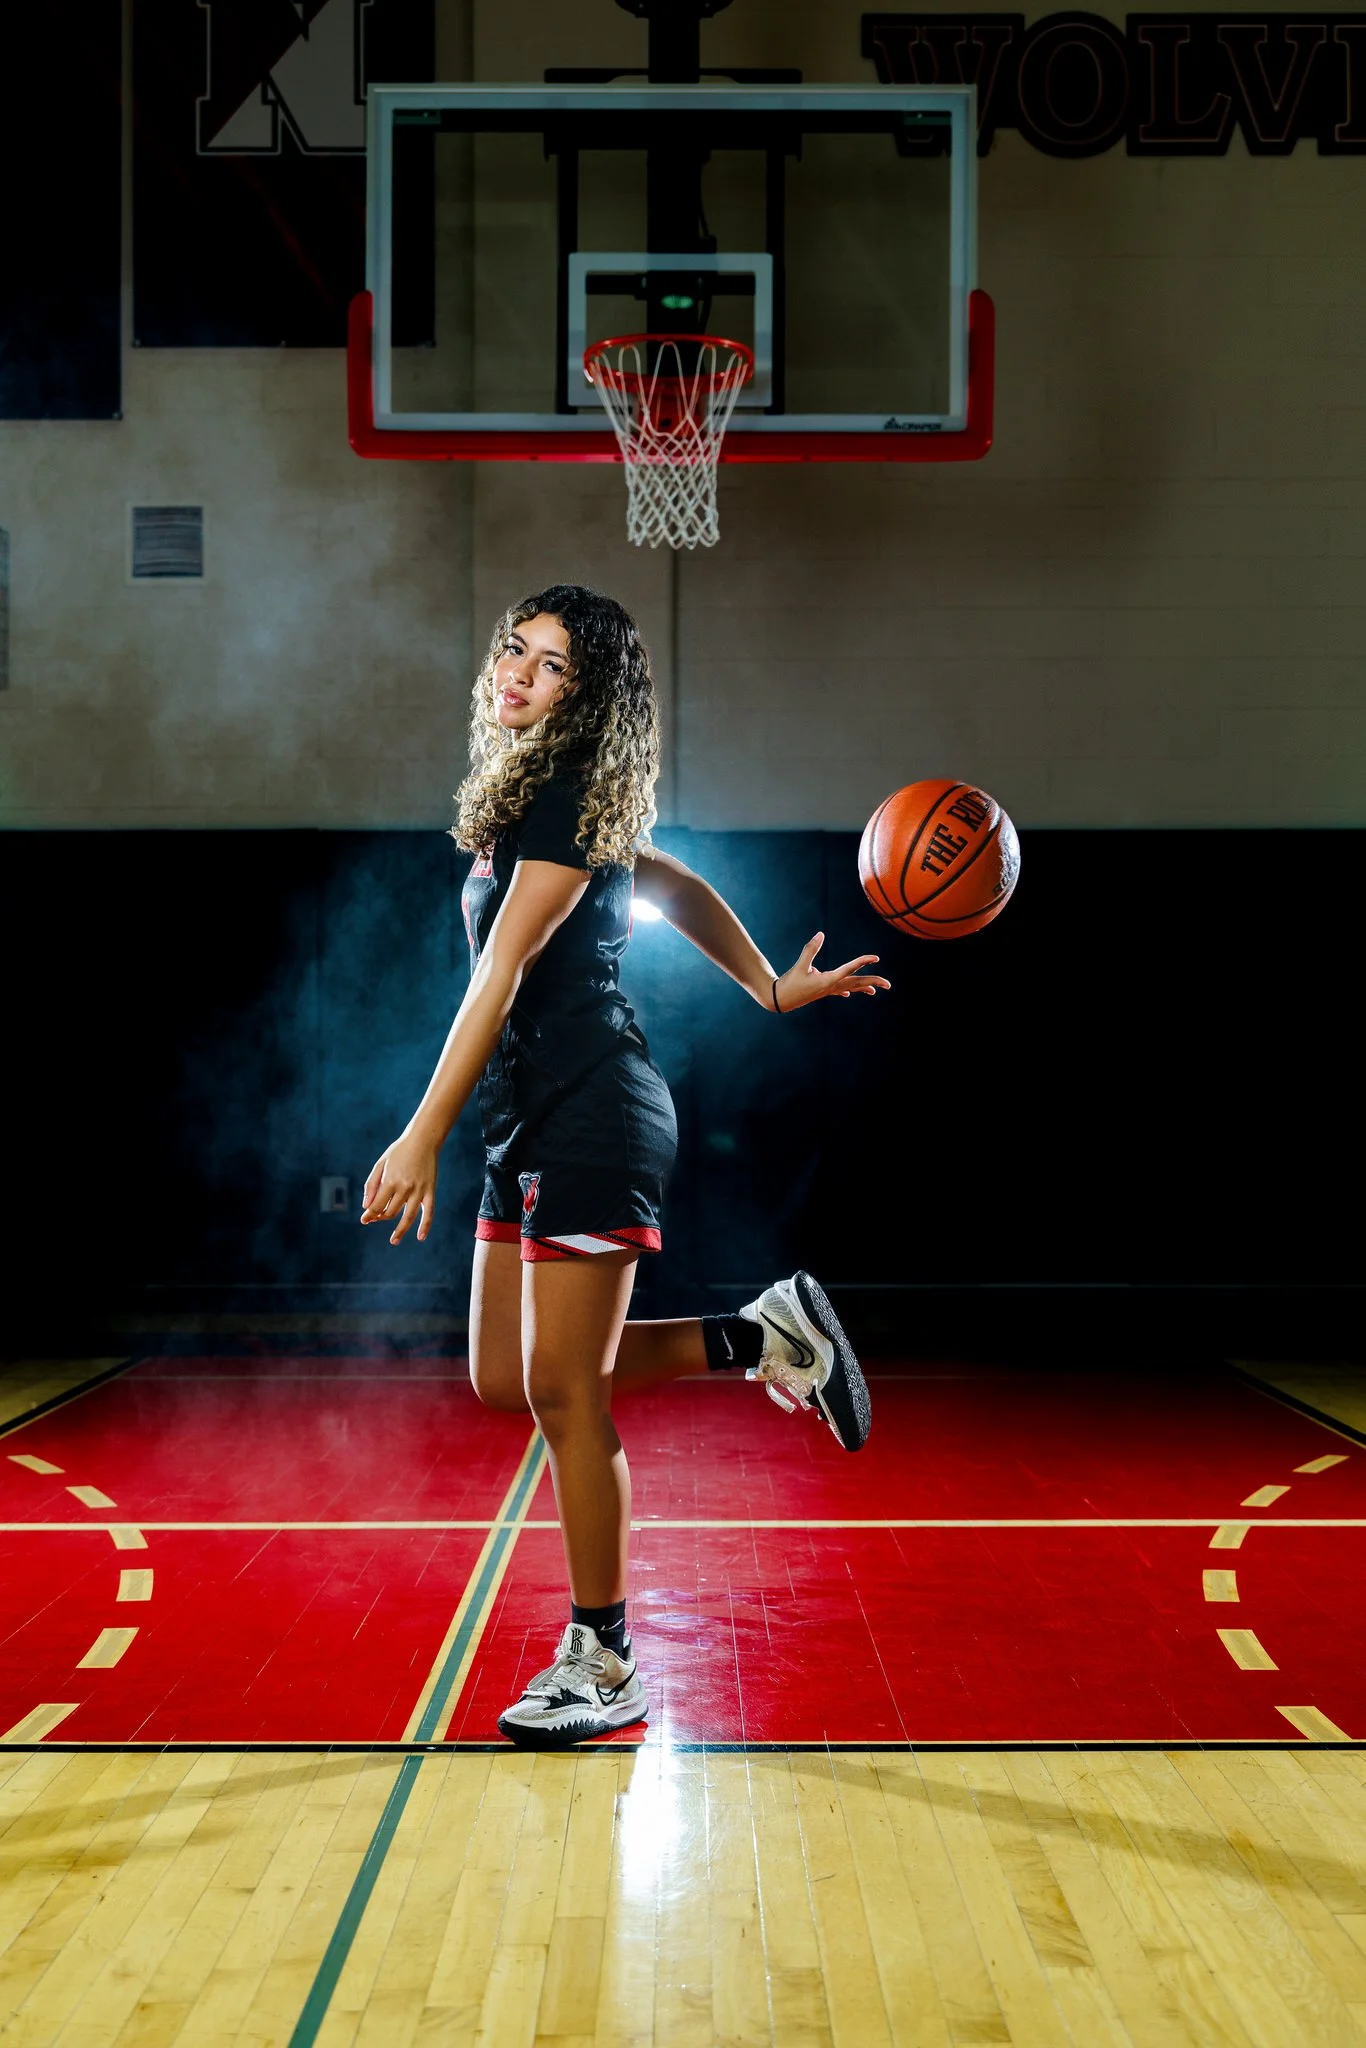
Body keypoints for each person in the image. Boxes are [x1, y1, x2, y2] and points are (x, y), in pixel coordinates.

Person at [361, 585, 889, 1748]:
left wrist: (421, 1131)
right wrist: (766, 979)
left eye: (549, 666)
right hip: (531, 1119)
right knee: (509, 1377)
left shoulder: (556, 804)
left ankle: (603, 1656)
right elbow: (672, 881)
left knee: (565, 1392)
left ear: (585, 700)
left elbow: (493, 981)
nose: (517, 671)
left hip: (589, 1115)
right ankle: (764, 1334)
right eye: (515, 648)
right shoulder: (549, 803)